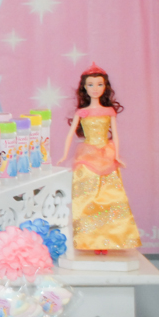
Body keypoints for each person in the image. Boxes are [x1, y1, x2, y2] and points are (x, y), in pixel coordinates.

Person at [58, 64, 141, 252]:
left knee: (112, 198)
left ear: (105, 87)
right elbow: (70, 135)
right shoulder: (81, 112)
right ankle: (90, 240)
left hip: (107, 153)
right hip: (87, 155)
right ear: (85, 88)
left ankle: (109, 239)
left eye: (99, 84)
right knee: (87, 198)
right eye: (91, 85)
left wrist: (117, 155)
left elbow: (116, 135)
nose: (95, 88)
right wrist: (64, 155)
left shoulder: (109, 111)